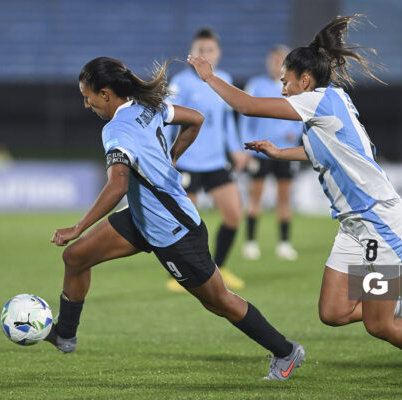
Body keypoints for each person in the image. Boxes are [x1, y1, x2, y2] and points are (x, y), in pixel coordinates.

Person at [188, 15, 402, 389]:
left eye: (285, 81)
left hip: (380, 223)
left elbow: (248, 105)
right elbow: (328, 151)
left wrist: (209, 77)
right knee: (332, 312)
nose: (282, 88)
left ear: (305, 80)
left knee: (378, 324)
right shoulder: (330, 104)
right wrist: (280, 153)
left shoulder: (318, 101)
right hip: (353, 225)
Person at [44, 57, 305, 381]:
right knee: (76, 256)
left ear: (106, 94)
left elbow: (118, 184)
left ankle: (286, 351)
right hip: (144, 218)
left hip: (174, 231)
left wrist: (77, 226)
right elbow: (195, 119)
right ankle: (65, 336)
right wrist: (171, 159)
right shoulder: (147, 107)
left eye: (88, 96)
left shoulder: (115, 129)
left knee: (219, 302)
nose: (86, 104)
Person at [166, 27, 247, 292]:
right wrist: (167, 155)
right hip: (187, 162)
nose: (205, 54)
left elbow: (226, 122)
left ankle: (220, 268)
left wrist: (236, 149)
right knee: (187, 223)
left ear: (218, 53)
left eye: (210, 50)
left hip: (215, 162)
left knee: (234, 215)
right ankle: (183, 276)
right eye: (201, 49)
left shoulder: (223, 79)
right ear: (192, 53)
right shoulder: (179, 83)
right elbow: (167, 121)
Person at [239, 45, 303, 261]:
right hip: (259, 150)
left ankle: (284, 243)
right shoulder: (256, 85)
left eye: (280, 61)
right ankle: (250, 242)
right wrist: (244, 146)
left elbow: (302, 115)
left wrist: (293, 134)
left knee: (284, 198)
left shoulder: (293, 87)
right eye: (273, 60)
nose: (276, 65)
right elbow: (245, 117)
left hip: (285, 151)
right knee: (255, 196)